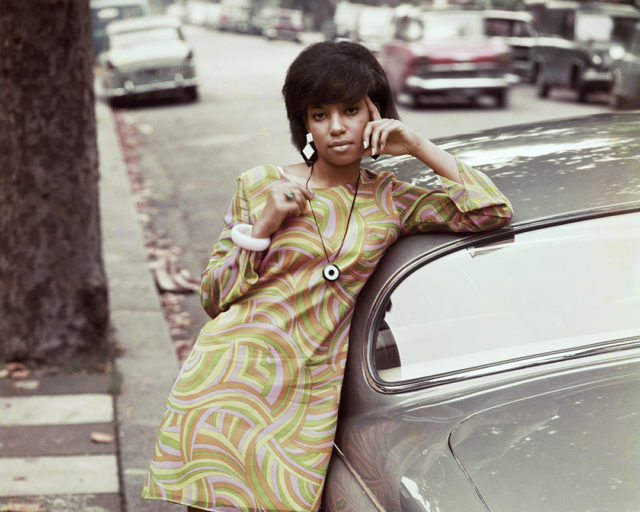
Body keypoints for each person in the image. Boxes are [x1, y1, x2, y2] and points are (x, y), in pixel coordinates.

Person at [141, 41, 513, 512]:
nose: (336, 127)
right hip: (227, 386)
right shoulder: (260, 185)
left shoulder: (392, 199)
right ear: (305, 124)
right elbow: (214, 296)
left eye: (351, 110)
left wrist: (418, 146)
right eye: (320, 114)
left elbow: (491, 211)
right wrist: (262, 227)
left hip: (305, 397)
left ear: (374, 114)